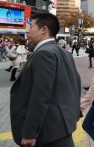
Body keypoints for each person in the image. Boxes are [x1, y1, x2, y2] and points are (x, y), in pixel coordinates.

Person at [10, 13, 81, 147]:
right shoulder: (64, 53)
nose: (27, 30)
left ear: (44, 29)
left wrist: (30, 132)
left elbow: (40, 96)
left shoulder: (44, 53)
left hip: (48, 132)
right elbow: (76, 84)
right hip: (62, 127)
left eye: (31, 26)